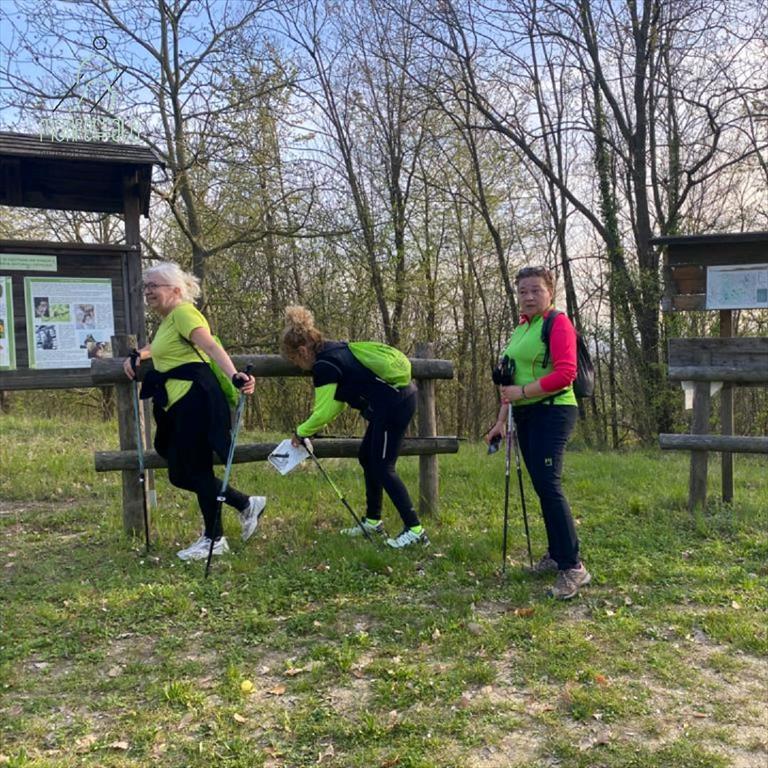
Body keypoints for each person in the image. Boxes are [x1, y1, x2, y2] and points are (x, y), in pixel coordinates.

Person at [123, 261, 266, 561]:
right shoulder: (169, 320)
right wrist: (139, 354)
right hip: (179, 405)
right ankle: (244, 504)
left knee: (196, 469)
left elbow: (211, 347)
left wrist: (235, 376)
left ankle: (215, 539)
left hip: (195, 400)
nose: (147, 291)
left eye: (153, 286)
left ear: (175, 290)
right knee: (180, 473)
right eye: (146, 286)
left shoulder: (184, 313)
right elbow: (159, 347)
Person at [279, 306, 428, 549]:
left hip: (394, 404)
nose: (297, 366)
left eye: (295, 360)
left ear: (303, 351)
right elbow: (337, 404)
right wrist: (306, 430)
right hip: (390, 402)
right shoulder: (333, 349)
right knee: (367, 458)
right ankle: (373, 521)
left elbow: (325, 412)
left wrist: (301, 431)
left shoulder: (324, 365)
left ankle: (416, 530)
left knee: (383, 466)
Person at [486, 266, 591, 599]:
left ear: (550, 292)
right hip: (526, 413)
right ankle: (557, 555)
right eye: (522, 291)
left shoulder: (557, 323)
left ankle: (573, 567)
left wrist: (523, 392)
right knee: (542, 487)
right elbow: (510, 380)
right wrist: (501, 421)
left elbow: (565, 374)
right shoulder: (521, 329)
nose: (528, 297)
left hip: (554, 410)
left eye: (536, 290)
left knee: (549, 485)